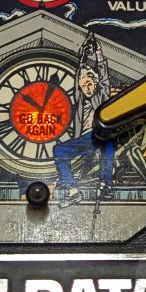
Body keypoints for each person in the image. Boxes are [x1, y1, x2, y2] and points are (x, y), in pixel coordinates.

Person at [53, 36, 113, 204]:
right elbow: (78, 77)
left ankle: (107, 185)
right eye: (83, 85)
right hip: (86, 140)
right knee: (59, 150)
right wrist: (84, 56)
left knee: (108, 143)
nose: (87, 88)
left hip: (100, 134)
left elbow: (104, 76)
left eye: (90, 84)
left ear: (96, 83)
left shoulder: (102, 94)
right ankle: (73, 190)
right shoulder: (80, 101)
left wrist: (98, 52)